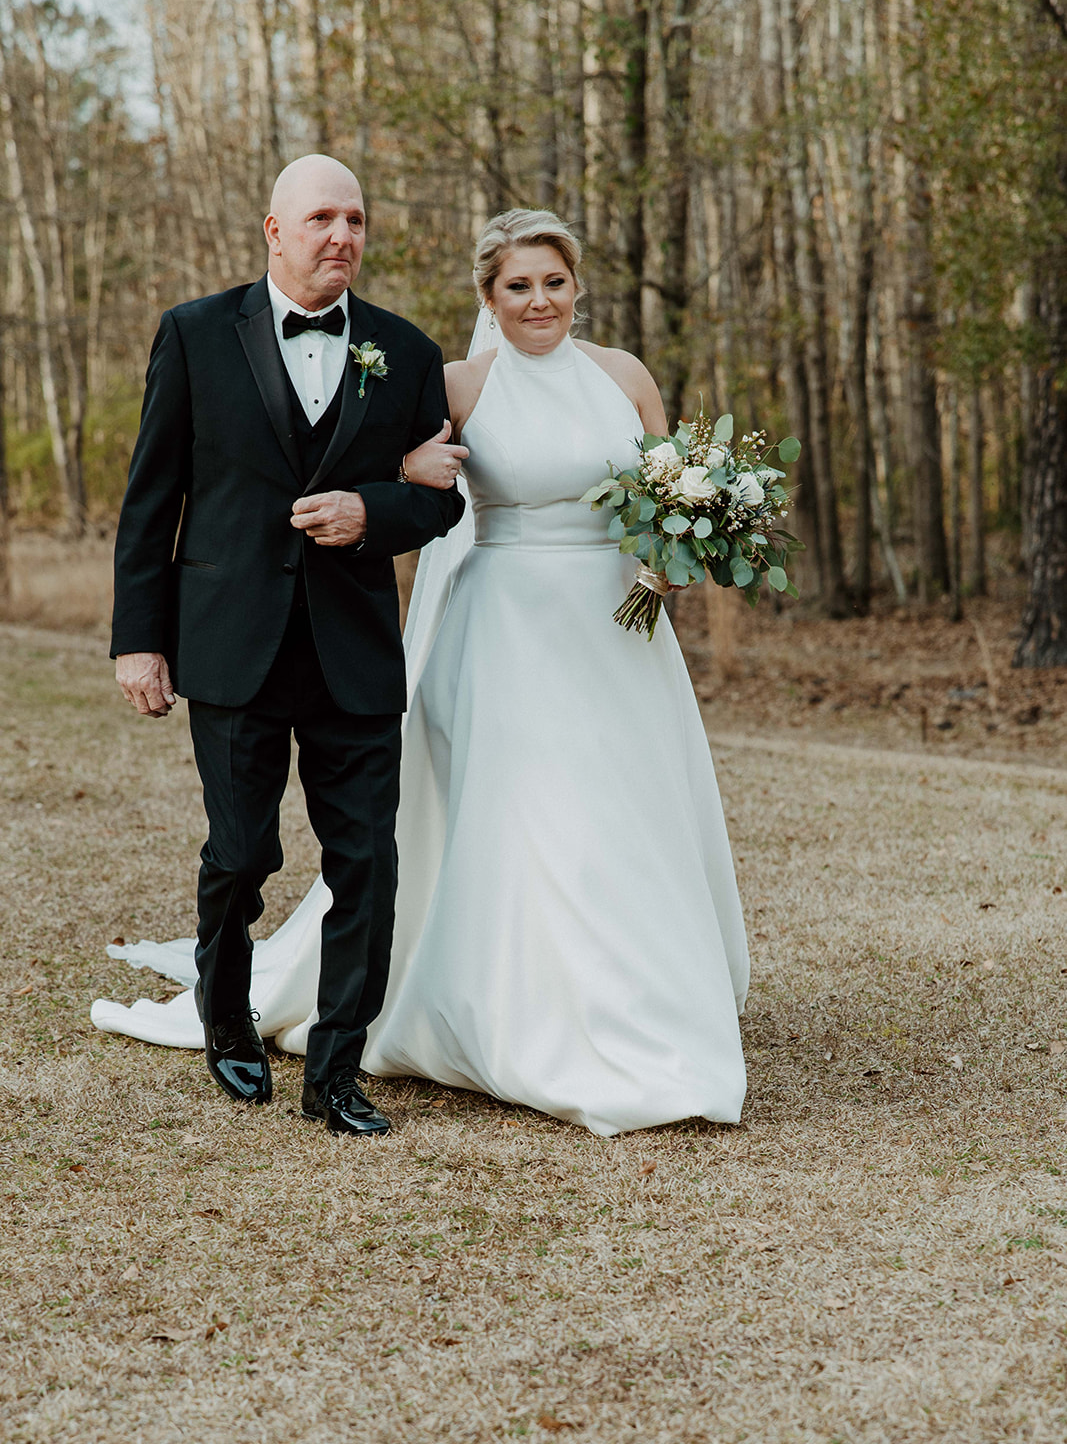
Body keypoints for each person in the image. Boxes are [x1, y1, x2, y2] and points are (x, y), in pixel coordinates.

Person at [95, 207, 749, 1137]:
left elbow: (667, 481)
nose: (538, 300)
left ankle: (646, 998)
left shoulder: (625, 376)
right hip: (508, 628)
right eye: (518, 285)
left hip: (619, 633)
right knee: (527, 817)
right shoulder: (454, 383)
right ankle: (521, 1009)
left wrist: (681, 545)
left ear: (577, 286)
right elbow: (405, 481)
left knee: (627, 809)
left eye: (554, 282)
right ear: (489, 296)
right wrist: (387, 482)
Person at [107, 154, 465, 1137]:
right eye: (320, 218)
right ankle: (226, 1018)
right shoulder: (192, 335)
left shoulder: (404, 348)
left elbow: (443, 496)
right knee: (241, 849)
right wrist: (139, 642)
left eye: (354, 218)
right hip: (230, 644)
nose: (340, 235)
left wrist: (372, 509)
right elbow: (152, 502)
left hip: (352, 649)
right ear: (274, 229)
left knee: (368, 864)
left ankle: (337, 1069)